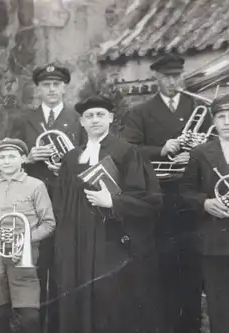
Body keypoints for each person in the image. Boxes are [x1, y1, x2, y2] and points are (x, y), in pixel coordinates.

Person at [52, 95, 163, 333]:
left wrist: (113, 202)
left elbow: (149, 200)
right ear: (81, 122)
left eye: (100, 114)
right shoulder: (71, 158)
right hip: (76, 244)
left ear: (111, 118)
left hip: (111, 240)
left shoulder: (127, 152)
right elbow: (60, 203)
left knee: (111, 300)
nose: (95, 120)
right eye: (89, 116)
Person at [120, 54, 210, 333]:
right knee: (165, 263)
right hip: (162, 195)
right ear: (156, 78)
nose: (173, 82)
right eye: (167, 77)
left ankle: (191, 325)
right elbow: (128, 150)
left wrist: (195, 153)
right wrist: (163, 148)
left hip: (194, 194)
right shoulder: (140, 112)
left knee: (193, 262)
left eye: (177, 76)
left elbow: (216, 143)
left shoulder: (199, 107)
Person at [7, 63, 85, 332]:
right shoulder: (22, 119)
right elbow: (7, 159)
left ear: (64, 88)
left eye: (57, 85)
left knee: (63, 265)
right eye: (46, 85)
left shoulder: (78, 118)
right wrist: (28, 158)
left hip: (66, 200)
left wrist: (67, 166)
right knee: (36, 264)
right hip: (32, 201)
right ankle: (33, 326)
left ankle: (60, 326)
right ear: (38, 89)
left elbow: (88, 159)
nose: (52, 89)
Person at [0, 138, 56, 333]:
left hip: (24, 254)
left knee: (29, 316)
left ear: (23, 158)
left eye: (12, 156)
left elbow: (49, 223)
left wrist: (25, 240)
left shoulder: (36, 185)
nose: (7, 161)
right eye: (1, 157)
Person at [180, 94, 229, 333]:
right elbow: (186, 191)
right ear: (214, 121)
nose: (227, 121)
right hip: (214, 241)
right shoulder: (200, 153)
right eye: (221, 116)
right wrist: (205, 203)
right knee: (219, 305)